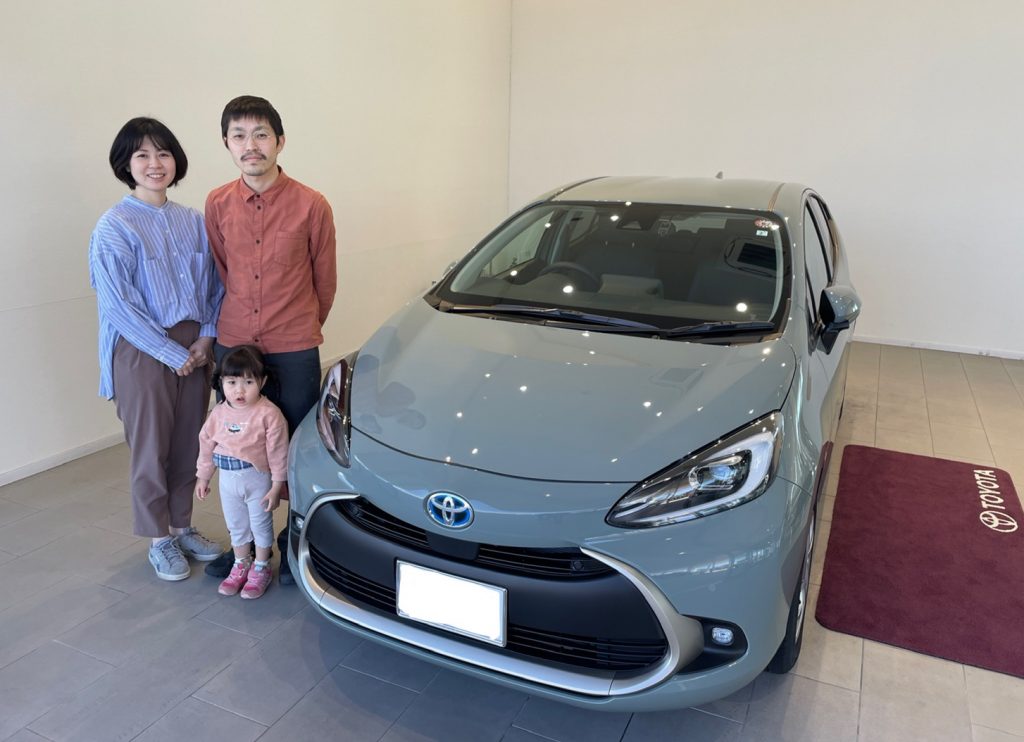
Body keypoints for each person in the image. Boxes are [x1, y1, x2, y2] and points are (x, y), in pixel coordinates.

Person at [204, 95, 337, 584]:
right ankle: (245, 547)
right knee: (237, 452)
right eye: (238, 135)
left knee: (297, 449)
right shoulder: (217, 203)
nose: (250, 145)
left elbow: (325, 281)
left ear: (280, 141)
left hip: (294, 344)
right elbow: (223, 271)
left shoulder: (312, 204)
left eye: (261, 134)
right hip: (235, 347)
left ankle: (290, 545)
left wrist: (297, 325)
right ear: (226, 144)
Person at [89, 117, 224, 581]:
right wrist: (171, 353)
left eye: (163, 153)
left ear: (176, 161)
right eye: (142, 154)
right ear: (126, 164)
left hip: (196, 345)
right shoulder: (114, 225)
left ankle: (182, 526)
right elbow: (118, 305)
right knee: (151, 448)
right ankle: (158, 539)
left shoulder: (193, 221)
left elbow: (215, 286)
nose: (155, 163)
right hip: (141, 349)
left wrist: (206, 337)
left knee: (189, 441)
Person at [195, 346, 288, 599]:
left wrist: (277, 485)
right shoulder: (218, 413)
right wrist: (203, 476)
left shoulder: (269, 414)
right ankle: (241, 563)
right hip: (227, 481)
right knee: (236, 525)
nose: (239, 390)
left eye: (248, 382)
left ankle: (261, 566)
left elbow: (278, 452)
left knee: (260, 524)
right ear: (221, 383)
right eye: (232, 382)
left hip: (257, 480)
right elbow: (206, 444)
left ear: (262, 382)